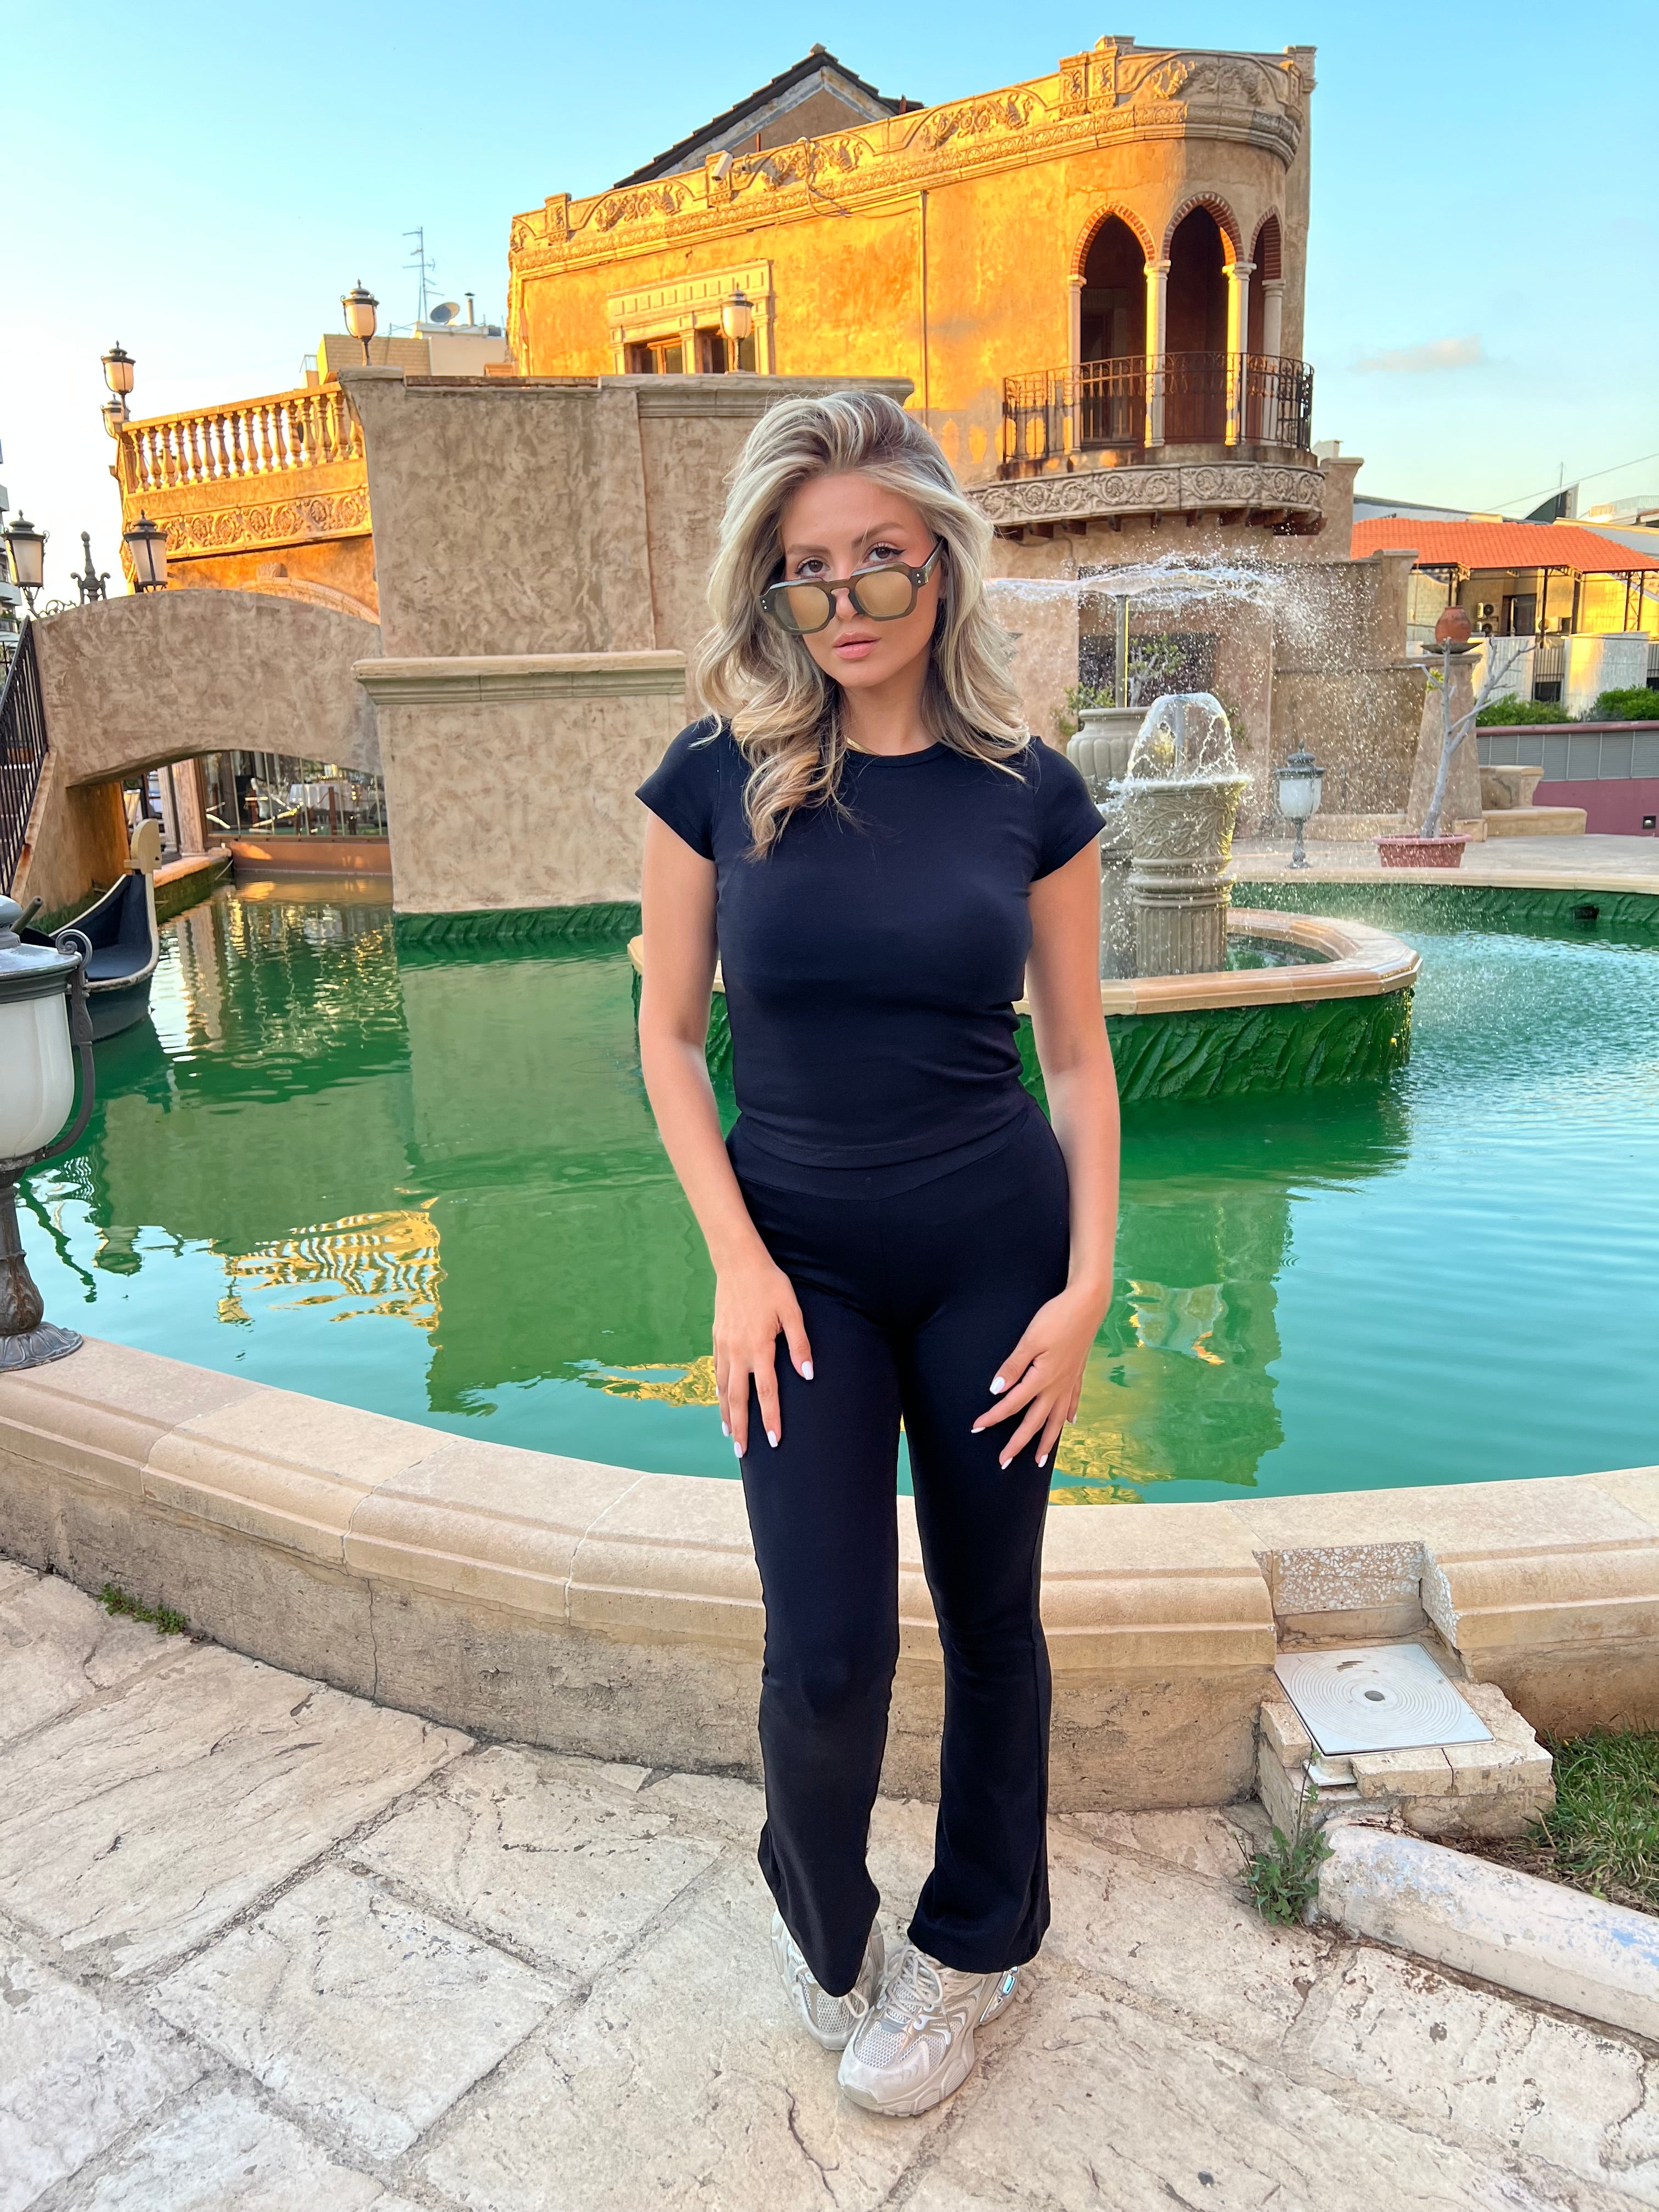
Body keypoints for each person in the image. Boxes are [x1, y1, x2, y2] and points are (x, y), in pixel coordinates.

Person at [635, 390, 1119, 2118]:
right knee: (827, 1644)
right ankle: (823, 1915)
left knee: (994, 1620)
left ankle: (981, 1941)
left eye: (877, 565)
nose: (841, 604)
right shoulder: (712, 773)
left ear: (941, 567)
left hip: (1000, 1246)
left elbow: (1074, 1058)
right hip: (800, 1266)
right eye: (803, 573)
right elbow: (670, 1042)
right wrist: (738, 1263)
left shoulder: (1029, 793)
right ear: (770, 589)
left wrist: (1086, 1290)